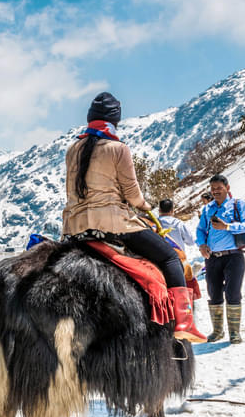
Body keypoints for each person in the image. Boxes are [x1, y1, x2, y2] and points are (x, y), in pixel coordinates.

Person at [63, 92, 205, 342]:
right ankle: (184, 322)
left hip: (75, 227)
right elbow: (132, 195)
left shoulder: (73, 149)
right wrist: (145, 206)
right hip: (114, 225)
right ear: (114, 120)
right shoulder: (118, 148)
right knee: (170, 257)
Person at [195, 174, 245, 344]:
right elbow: (200, 230)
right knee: (214, 293)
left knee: (233, 292)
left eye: (219, 188)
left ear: (227, 188)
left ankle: (234, 333)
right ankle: (217, 331)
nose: (215, 192)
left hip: (234, 256)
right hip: (212, 258)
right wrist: (201, 245)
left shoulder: (238, 205)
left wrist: (227, 226)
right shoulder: (208, 209)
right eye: (213, 189)